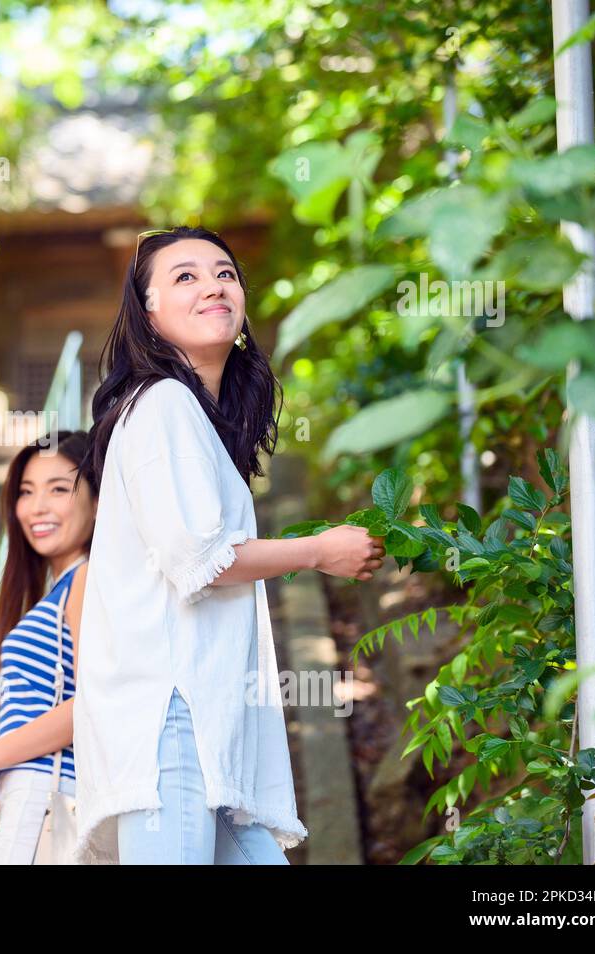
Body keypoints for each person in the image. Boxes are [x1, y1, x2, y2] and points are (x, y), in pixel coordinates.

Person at [73, 226, 385, 865]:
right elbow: (200, 561)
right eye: (183, 276)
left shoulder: (195, 414)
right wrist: (317, 552)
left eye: (224, 272)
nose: (212, 285)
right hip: (170, 721)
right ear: (148, 312)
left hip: (206, 728)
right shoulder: (161, 405)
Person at [0, 430, 97, 864]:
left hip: (49, 800)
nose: (37, 507)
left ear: (100, 498)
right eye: (26, 492)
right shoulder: (58, 590)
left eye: (58, 489)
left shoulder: (89, 579)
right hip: (31, 802)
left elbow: (95, 704)